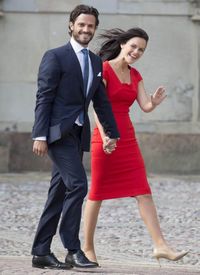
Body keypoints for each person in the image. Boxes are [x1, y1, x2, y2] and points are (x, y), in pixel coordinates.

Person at [83, 27, 188, 266]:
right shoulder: (104, 69)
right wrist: (106, 134)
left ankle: (160, 245)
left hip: (127, 139)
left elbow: (145, 106)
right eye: (133, 46)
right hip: (104, 137)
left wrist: (155, 102)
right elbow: (97, 106)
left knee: (143, 190)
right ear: (122, 44)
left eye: (141, 49)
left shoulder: (136, 75)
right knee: (96, 193)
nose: (136, 52)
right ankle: (87, 248)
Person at [31, 5, 120, 270]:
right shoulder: (55, 56)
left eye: (90, 26)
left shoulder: (95, 62)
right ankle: (72, 249)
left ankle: (40, 253)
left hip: (77, 135)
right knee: (79, 185)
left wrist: (112, 132)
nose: (85, 29)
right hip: (57, 134)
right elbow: (44, 97)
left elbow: (100, 101)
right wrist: (39, 134)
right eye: (81, 24)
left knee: (58, 193)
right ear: (71, 25)